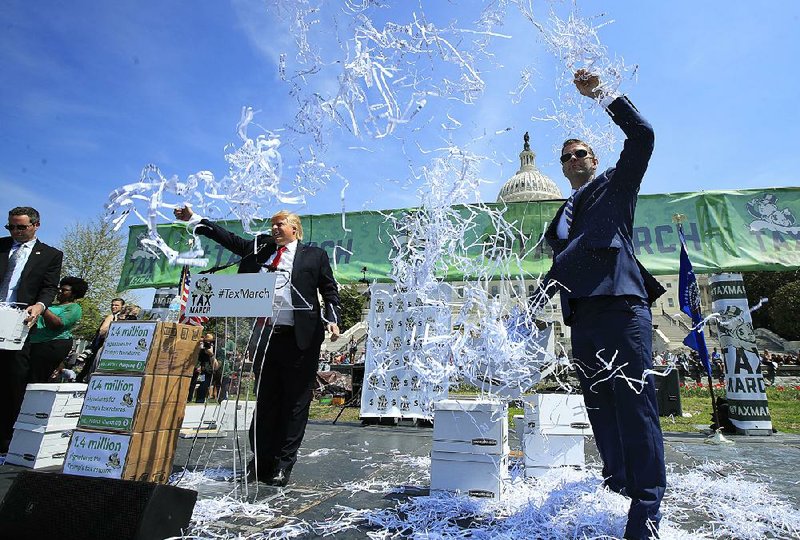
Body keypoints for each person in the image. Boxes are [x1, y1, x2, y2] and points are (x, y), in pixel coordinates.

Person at [531, 71, 666, 539]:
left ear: (595, 157)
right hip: (582, 318)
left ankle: (646, 511)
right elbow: (566, 264)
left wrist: (604, 94)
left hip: (622, 309)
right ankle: (618, 485)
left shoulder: (616, 185)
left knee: (634, 407)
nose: (573, 160)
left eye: (580, 153)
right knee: (601, 409)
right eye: (566, 158)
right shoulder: (559, 219)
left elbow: (643, 134)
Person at [174, 206, 341, 487]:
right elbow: (229, 239)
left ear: (295, 229)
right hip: (265, 336)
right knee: (265, 401)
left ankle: (283, 464)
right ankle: (260, 461)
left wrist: (332, 320)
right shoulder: (260, 248)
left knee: (295, 403)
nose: (274, 229)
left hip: (301, 339)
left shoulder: (315, 255)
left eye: (280, 224)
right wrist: (195, 219)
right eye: (272, 225)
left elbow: (329, 291)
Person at [0, 206, 63, 453]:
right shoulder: (2, 247)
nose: (15, 231)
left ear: (36, 225)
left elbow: (49, 287)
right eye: (11, 227)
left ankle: (6, 436)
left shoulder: (50, 255)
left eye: (21, 227)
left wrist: (39, 305)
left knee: (12, 377)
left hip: (19, 321)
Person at [28, 276, 88, 382]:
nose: (59, 291)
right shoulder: (53, 305)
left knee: (35, 377)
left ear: (74, 293)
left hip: (52, 345)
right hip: (35, 343)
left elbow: (58, 324)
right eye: (59, 289)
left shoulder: (74, 308)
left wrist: (43, 309)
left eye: (64, 290)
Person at [195, 333, 216, 403]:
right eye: (206, 341)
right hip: (203, 369)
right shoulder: (202, 347)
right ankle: (199, 399)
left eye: (209, 341)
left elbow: (213, 356)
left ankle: (205, 398)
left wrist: (210, 351)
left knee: (208, 384)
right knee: (202, 384)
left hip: (210, 368)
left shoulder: (213, 346)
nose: (208, 342)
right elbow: (199, 358)